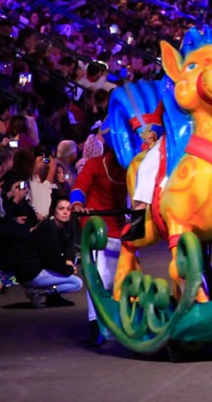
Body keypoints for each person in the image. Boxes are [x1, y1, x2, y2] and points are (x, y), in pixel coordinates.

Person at [70, 138, 128, 346]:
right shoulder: (95, 165)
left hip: (118, 229)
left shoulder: (128, 169)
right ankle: (95, 322)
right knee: (100, 277)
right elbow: (79, 188)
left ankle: (120, 320)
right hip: (97, 230)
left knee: (119, 277)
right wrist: (77, 204)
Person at [15, 195, 83, 308]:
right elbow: (51, 258)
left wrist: (68, 260)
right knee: (76, 283)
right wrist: (69, 268)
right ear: (53, 211)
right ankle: (39, 293)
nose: (65, 212)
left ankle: (53, 297)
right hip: (31, 272)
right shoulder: (48, 227)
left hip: (43, 268)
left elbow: (69, 247)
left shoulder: (63, 226)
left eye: (68, 209)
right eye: (61, 209)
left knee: (72, 262)